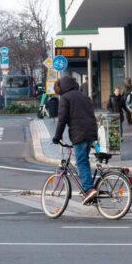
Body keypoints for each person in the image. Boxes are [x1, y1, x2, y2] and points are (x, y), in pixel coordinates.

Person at [51, 75, 99, 204]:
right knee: (84, 160)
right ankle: (89, 191)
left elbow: (62, 120)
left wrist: (57, 137)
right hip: (91, 133)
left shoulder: (65, 98)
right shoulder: (83, 96)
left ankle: (88, 190)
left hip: (79, 134)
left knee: (81, 162)